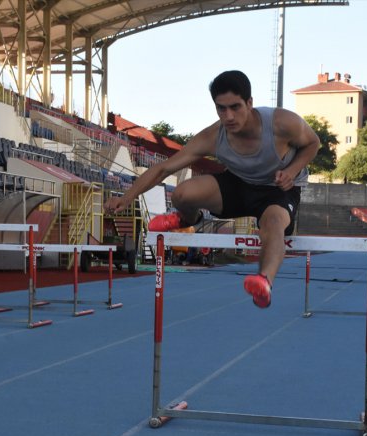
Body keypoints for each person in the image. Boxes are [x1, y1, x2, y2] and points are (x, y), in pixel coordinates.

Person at [104, 70, 320, 308]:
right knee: (182, 193)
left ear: (250, 103)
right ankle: (188, 218)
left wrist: (292, 170)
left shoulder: (281, 122)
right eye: (221, 108)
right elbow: (165, 168)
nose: (228, 116)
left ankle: (264, 282)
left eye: (235, 107)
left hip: (278, 188)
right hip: (239, 185)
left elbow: (313, 143)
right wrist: (126, 197)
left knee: (274, 223)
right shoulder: (212, 136)